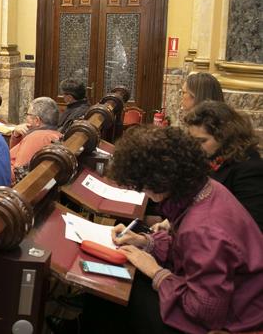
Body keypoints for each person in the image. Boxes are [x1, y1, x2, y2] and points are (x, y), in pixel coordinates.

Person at [78, 126, 263, 334]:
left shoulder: (203, 230)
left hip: (233, 320)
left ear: (158, 183)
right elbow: (188, 253)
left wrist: (155, 272)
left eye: (142, 187)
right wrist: (146, 242)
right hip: (237, 301)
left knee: (108, 295)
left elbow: (206, 312)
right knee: (116, 286)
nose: (144, 193)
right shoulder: (206, 189)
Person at [184, 101, 263, 230]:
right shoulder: (213, 159)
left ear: (225, 136)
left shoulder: (250, 169)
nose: (195, 147)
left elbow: (252, 226)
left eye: (202, 141)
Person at [10, 97, 62, 172]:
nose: (26, 118)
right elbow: (16, 154)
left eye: (27, 114)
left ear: (37, 120)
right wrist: (16, 135)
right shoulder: (56, 134)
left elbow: (18, 173)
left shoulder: (36, 137)